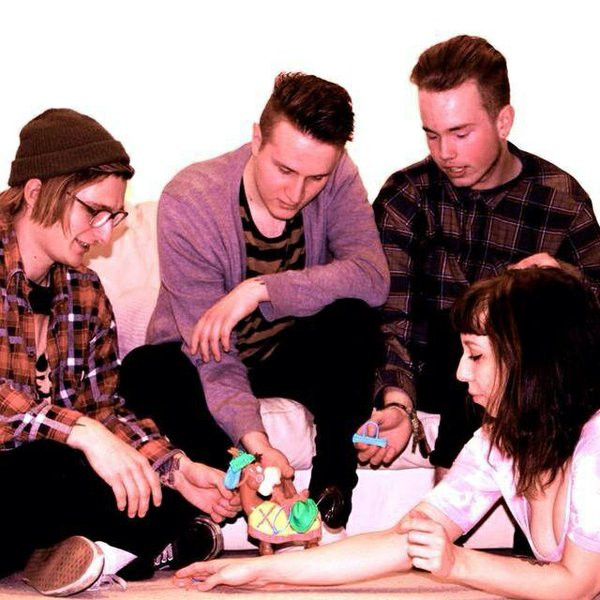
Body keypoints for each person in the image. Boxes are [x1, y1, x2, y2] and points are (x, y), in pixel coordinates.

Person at [175, 266, 600, 600]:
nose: (460, 372)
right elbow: (402, 542)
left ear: (533, 360)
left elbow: (578, 585)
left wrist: (458, 564)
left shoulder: (595, 442)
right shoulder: (499, 444)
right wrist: (258, 571)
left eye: (475, 355)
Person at [119, 72, 389, 536]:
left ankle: (332, 491)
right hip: (202, 360)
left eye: (315, 177)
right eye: (284, 170)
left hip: (285, 352)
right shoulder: (192, 200)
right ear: (256, 139)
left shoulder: (340, 174)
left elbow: (372, 278)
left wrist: (258, 290)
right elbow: (212, 355)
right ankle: (236, 489)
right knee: (145, 371)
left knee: (353, 320)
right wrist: (257, 443)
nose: (296, 193)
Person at [0, 108, 239, 597]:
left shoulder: (84, 290)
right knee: (50, 464)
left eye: (114, 216)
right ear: (37, 192)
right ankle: (139, 544)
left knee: (137, 474)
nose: (104, 234)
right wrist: (82, 433)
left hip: (49, 485)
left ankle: (71, 550)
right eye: (94, 212)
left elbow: (103, 407)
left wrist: (174, 468)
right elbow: (81, 427)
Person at [361, 35, 600, 486]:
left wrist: (564, 282)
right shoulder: (407, 196)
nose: (445, 153)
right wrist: (398, 400)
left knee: (496, 328)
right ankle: (445, 515)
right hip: (430, 368)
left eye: (460, 133)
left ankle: (471, 517)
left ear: (503, 121)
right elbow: (392, 317)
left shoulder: (560, 202)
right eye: (432, 134)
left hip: (521, 379)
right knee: (458, 329)